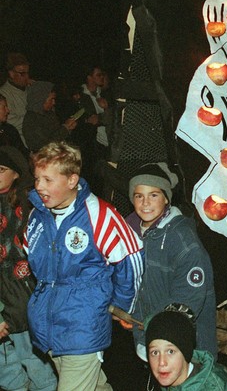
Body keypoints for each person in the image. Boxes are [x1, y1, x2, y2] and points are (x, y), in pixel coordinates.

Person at [24, 141, 144, 391]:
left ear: (71, 180)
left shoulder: (98, 214)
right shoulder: (37, 215)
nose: (39, 187)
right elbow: (32, 258)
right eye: (37, 179)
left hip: (83, 325)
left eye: (48, 180)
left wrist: (121, 305)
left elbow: (131, 257)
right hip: (49, 326)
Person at [126, 162, 218, 361]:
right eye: (139, 196)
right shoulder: (128, 232)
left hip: (183, 340)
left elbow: (189, 294)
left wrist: (159, 328)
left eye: (154, 195)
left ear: (166, 198)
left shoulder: (182, 239)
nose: (145, 203)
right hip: (146, 333)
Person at [0, 146, 58, 391]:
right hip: (3, 300)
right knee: (6, 371)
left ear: (16, 174)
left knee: (34, 363)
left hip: (23, 299)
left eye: (1, 169)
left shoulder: (29, 203)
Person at [145, 306, 227, 390]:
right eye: (155, 352)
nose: (161, 362)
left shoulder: (213, 386)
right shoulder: (172, 376)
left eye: (170, 351)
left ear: (186, 353)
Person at [22, 81, 77, 152]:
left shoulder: (49, 114)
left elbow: (57, 134)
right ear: (41, 100)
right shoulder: (31, 120)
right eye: (51, 99)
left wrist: (68, 128)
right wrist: (65, 128)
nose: (54, 102)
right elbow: (44, 146)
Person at [0, 53, 31, 146]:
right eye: (22, 73)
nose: (27, 77)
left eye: (27, 73)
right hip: (23, 144)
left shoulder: (30, 89)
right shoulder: (4, 94)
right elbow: (10, 122)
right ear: (11, 74)